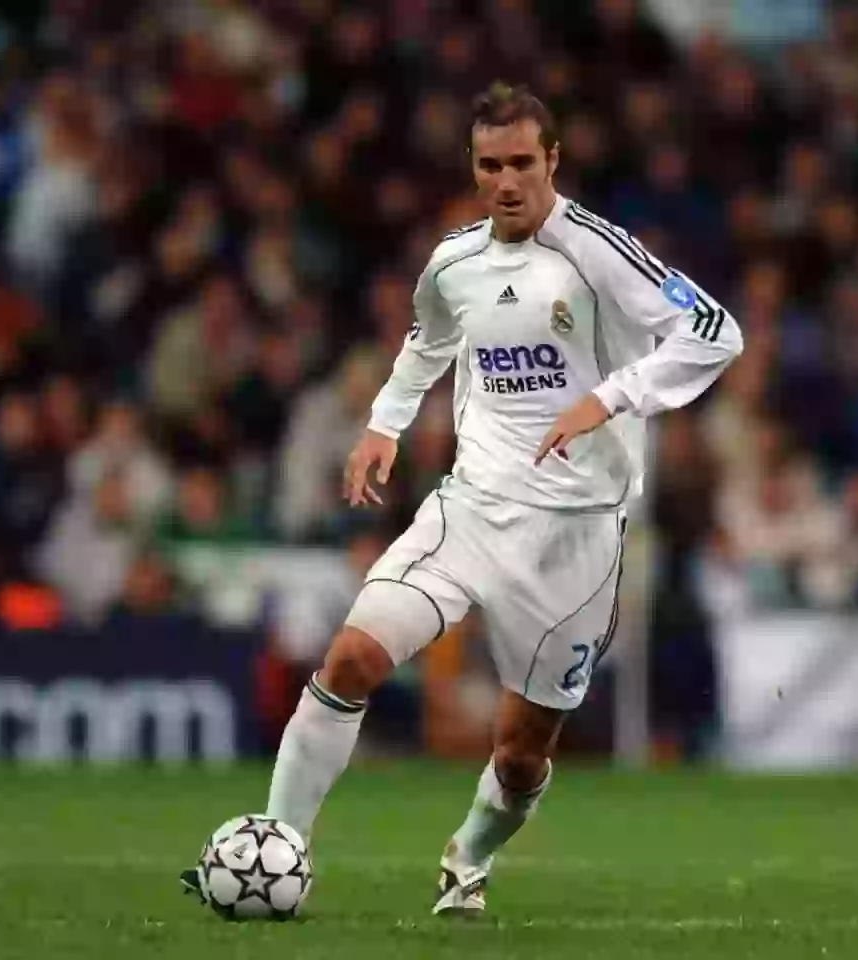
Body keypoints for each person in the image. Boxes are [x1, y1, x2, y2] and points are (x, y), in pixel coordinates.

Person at [181, 82, 742, 916]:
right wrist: (384, 425)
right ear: (472, 168)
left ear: (553, 161)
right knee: (350, 660)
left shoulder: (598, 251)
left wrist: (610, 397)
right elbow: (427, 340)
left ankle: (468, 856)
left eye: (522, 163)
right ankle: (277, 844)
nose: (506, 181)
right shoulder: (454, 261)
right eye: (490, 165)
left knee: (520, 754)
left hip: (576, 541)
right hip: (469, 511)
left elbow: (716, 332)